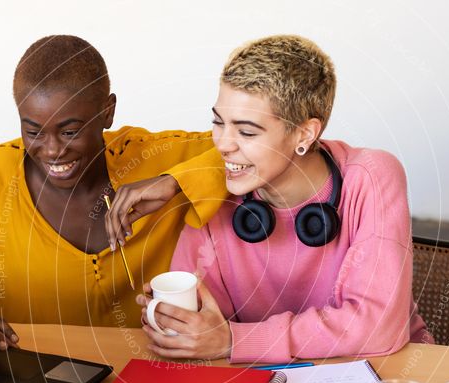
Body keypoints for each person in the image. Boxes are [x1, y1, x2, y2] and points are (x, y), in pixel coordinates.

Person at [0, 35, 226, 349]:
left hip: (154, 371)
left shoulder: (157, 157)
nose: (52, 150)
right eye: (33, 130)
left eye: (69, 131)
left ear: (107, 112)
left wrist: (173, 180)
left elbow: (259, 146)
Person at [128, 35, 433, 363]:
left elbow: (376, 328)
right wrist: (179, 322)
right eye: (218, 123)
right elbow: (206, 326)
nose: (223, 145)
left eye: (246, 132)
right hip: (258, 375)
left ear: (304, 134)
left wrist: (235, 340)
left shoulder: (372, 176)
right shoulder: (215, 186)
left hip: (386, 369)